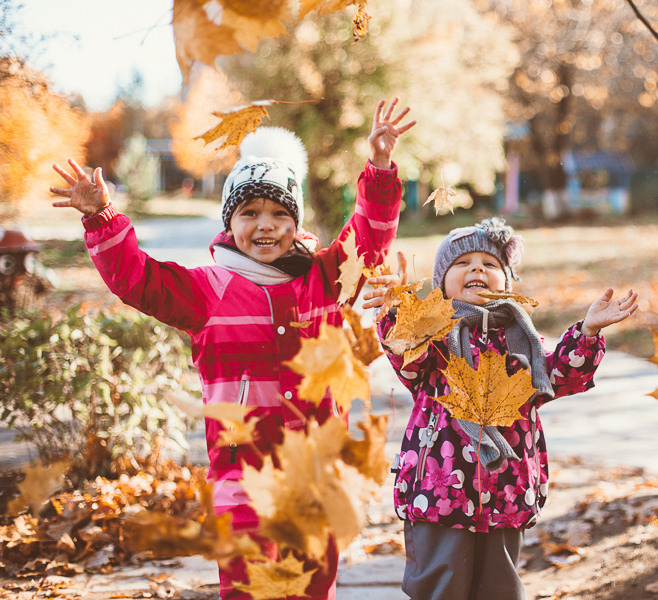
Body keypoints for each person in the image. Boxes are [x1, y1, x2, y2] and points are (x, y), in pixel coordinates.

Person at [50, 99, 415, 600]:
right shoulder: (208, 289)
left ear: (296, 220)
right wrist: (102, 217)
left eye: (278, 213)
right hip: (242, 473)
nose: (264, 225)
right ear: (229, 221)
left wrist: (378, 167)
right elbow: (139, 280)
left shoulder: (325, 277)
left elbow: (369, 242)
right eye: (250, 212)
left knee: (313, 582)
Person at [362, 218, 638, 600]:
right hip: (439, 493)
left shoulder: (520, 340)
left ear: (508, 282)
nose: (477, 269)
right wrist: (397, 313)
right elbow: (407, 355)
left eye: (490, 264)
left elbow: (557, 377)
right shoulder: (433, 336)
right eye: (463, 263)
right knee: (440, 589)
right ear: (441, 283)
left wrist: (587, 332)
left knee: (500, 591)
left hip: (506, 492)